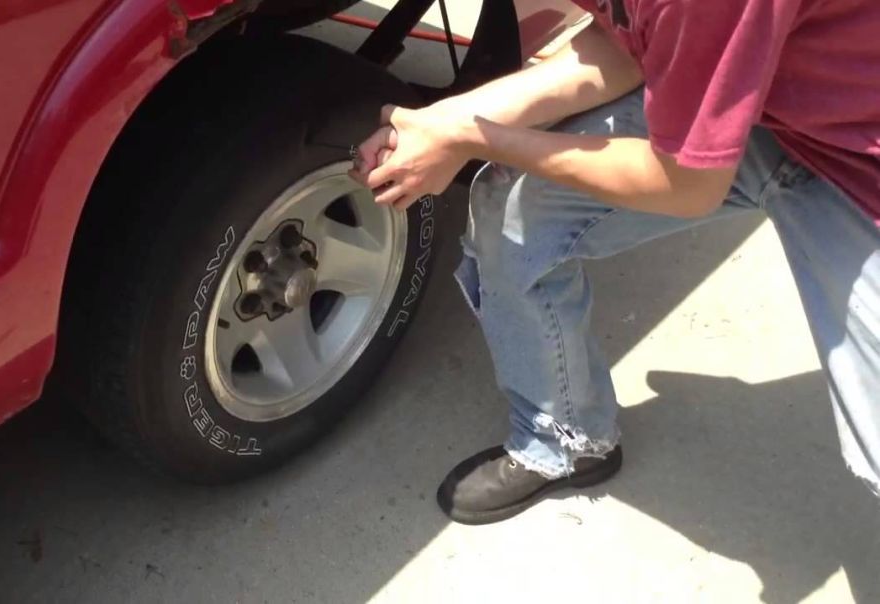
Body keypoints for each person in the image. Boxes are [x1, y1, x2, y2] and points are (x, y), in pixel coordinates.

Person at [350, 0, 880, 525]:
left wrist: (473, 138)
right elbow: (622, 43)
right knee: (512, 213)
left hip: (860, 162)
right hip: (770, 102)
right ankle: (569, 440)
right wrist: (444, 122)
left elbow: (686, 184)